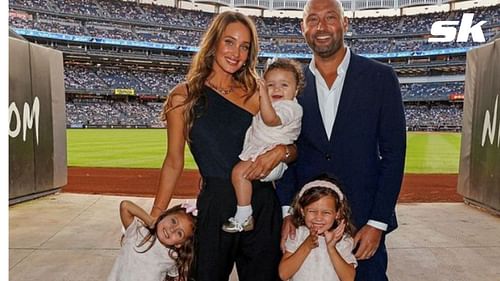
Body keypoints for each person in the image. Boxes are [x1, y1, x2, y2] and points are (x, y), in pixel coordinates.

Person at [151, 11, 294, 281]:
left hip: (261, 204)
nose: (236, 53)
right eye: (229, 42)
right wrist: (157, 213)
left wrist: (281, 152)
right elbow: (173, 161)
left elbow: (291, 144)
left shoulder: (256, 92)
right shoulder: (183, 96)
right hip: (215, 207)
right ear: (214, 42)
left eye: (244, 46)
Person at [276, 0, 406, 280]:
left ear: (345, 23)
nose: (321, 27)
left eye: (330, 17)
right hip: (306, 221)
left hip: (363, 222)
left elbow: (394, 154)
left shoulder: (380, 77)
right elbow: (283, 147)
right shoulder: (292, 83)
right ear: (302, 27)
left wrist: (378, 222)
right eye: (312, 19)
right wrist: (287, 212)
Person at [222, 58, 304, 233]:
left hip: (269, 159)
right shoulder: (277, 104)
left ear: (296, 89)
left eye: (284, 85)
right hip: (264, 154)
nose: (276, 89)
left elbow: (271, 119)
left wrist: (263, 95)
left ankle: (244, 215)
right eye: (271, 85)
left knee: (239, 173)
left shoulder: (290, 108)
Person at [279, 176, 357, 281]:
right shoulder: (297, 234)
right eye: (312, 211)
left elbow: (349, 278)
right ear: (302, 211)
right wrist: (307, 245)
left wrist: (331, 248)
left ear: (337, 214)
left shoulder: (342, 240)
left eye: (326, 212)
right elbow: (284, 274)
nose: (318, 218)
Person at [107, 200, 196, 281]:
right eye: (173, 221)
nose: (172, 229)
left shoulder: (172, 257)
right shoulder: (137, 232)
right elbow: (125, 206)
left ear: (179, 244)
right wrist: (150, 220)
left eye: (179, 233)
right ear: (164, 216)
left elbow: (174, 277)